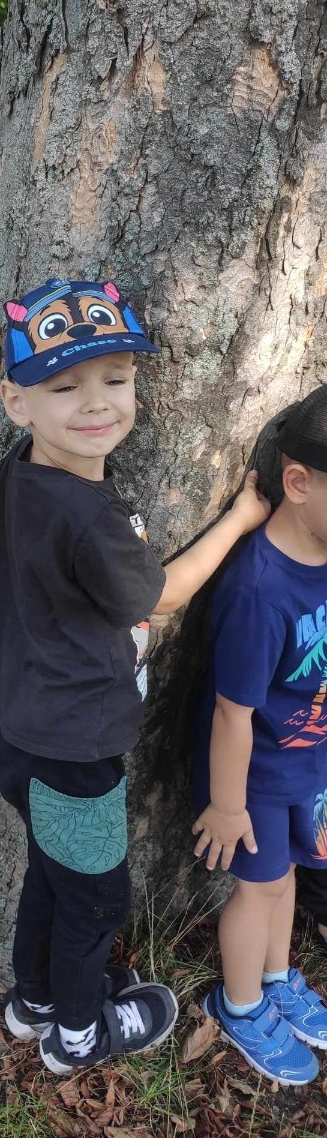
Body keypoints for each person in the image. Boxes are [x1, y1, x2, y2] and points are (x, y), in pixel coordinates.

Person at [0, 276, 270, 1075]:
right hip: (76, 753)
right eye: (65, 386)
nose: (97, 403)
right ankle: (76, 1033)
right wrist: (242, 520)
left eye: (115, 379)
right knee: (95, 899)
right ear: (17, 404)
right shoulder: (93, 518)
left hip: (23, 733)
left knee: (53, 873)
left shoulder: (17, 472)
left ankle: (34, 998)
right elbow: (164, 596)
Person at [192, 384, 327, 1086]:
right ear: (297, 482)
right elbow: (230, 713)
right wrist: (224, 804)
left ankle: (275, 978)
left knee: (288, 881)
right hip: (252, 776)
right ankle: (239, 1003)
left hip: (308, 763)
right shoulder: (257, 590)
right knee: (260, 887)